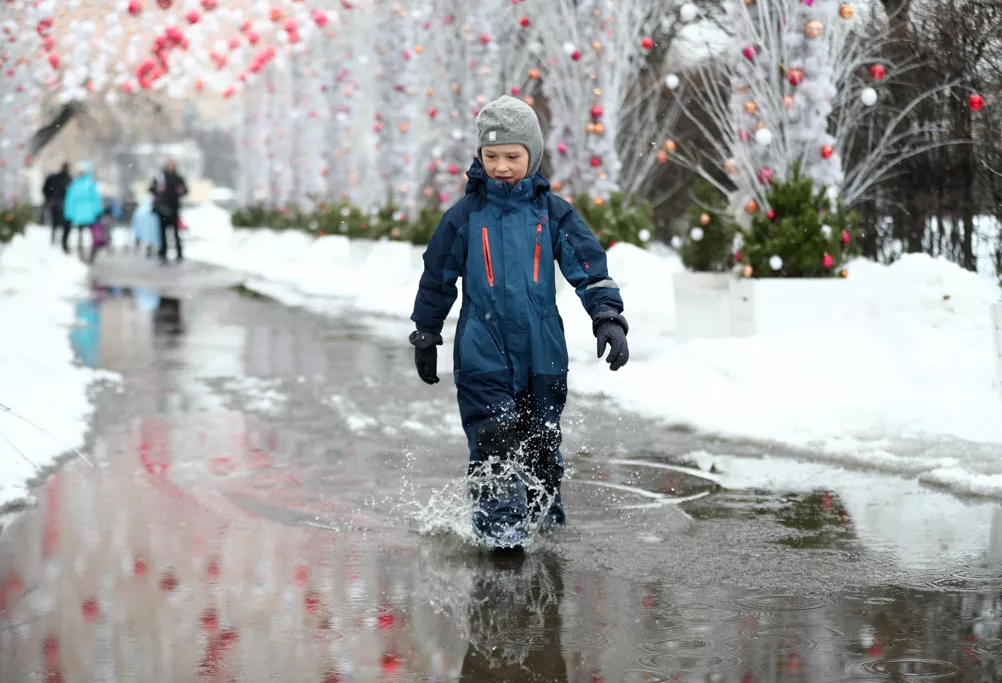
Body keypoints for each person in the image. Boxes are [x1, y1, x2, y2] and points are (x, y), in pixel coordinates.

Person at [408, 96, 630, 551]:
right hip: (481, 351)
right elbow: (437, 276)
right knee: (493, 441)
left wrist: (607, 315)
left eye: (513, 156)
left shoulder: (553, 213)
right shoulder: (466, 217)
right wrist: (427, 331)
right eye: (492, 157)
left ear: (532, 155)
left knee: (540, 445)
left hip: (541, 350)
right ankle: (500, 532)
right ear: (479, 157)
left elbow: (589, 266)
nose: (502, 166)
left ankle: (543, 517)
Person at [63, 161, 105, 263]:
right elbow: (70, 200)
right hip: (79, 214)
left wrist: (97, 211)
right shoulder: (75, 185)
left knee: (94, 235)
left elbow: (96, 199)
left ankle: (91, 256)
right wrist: (69, 213)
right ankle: (81, 256)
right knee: (80, 236)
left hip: (90, 214)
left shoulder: (90, 184)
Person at [150, 159, 188, 264]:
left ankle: (179, 253)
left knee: (176, 233)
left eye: (172, 165)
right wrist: (157, 189)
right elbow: (151, 189)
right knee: (163, 233)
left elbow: (185, 190)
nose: (170, 167)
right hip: (162, 209)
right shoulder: (160, 178)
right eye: (169, 165)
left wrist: (181, 190)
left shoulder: (178, 178)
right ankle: (163, 253)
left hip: (174, 209)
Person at [42, 162, 71, 248]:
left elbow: (45, 189)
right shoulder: (65, 179)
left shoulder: (67, 179)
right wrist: (50, 199)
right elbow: (45, 189)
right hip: (59, 204)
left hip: (60, 204)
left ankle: (59, 242)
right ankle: (58, 242)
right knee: (59, 224)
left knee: (59, 224)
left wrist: (49, 199)